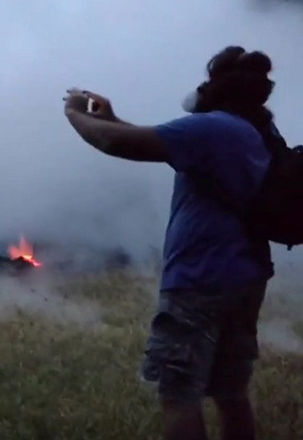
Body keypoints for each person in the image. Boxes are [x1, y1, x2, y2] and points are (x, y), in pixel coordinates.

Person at [62, 45, 279, 440]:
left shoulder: (213, 128)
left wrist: (75, 114)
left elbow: (113, 144)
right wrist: (113, 118)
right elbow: (159, 142)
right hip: (245, 275)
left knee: (179, 393)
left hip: (200, 277)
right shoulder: (255, 130)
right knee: (231, 391)